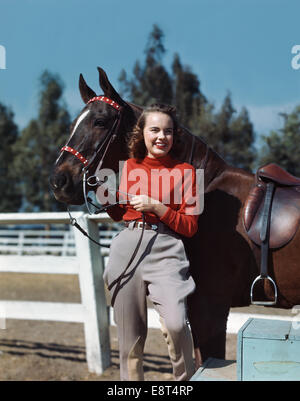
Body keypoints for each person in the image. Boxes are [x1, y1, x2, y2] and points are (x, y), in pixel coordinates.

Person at [97, 103, 200, 381]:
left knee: (177, 324)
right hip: (127, 248)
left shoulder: (188, 172)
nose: (161, 136)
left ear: (174, 136)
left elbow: (190, 227)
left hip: (167, 249)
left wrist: (157, 207)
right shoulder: (129, 167)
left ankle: (184, 382)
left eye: (168, 131)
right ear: (141, 132)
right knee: (129, 338)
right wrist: (105, 196)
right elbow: (121, 214)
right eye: (154, 129)